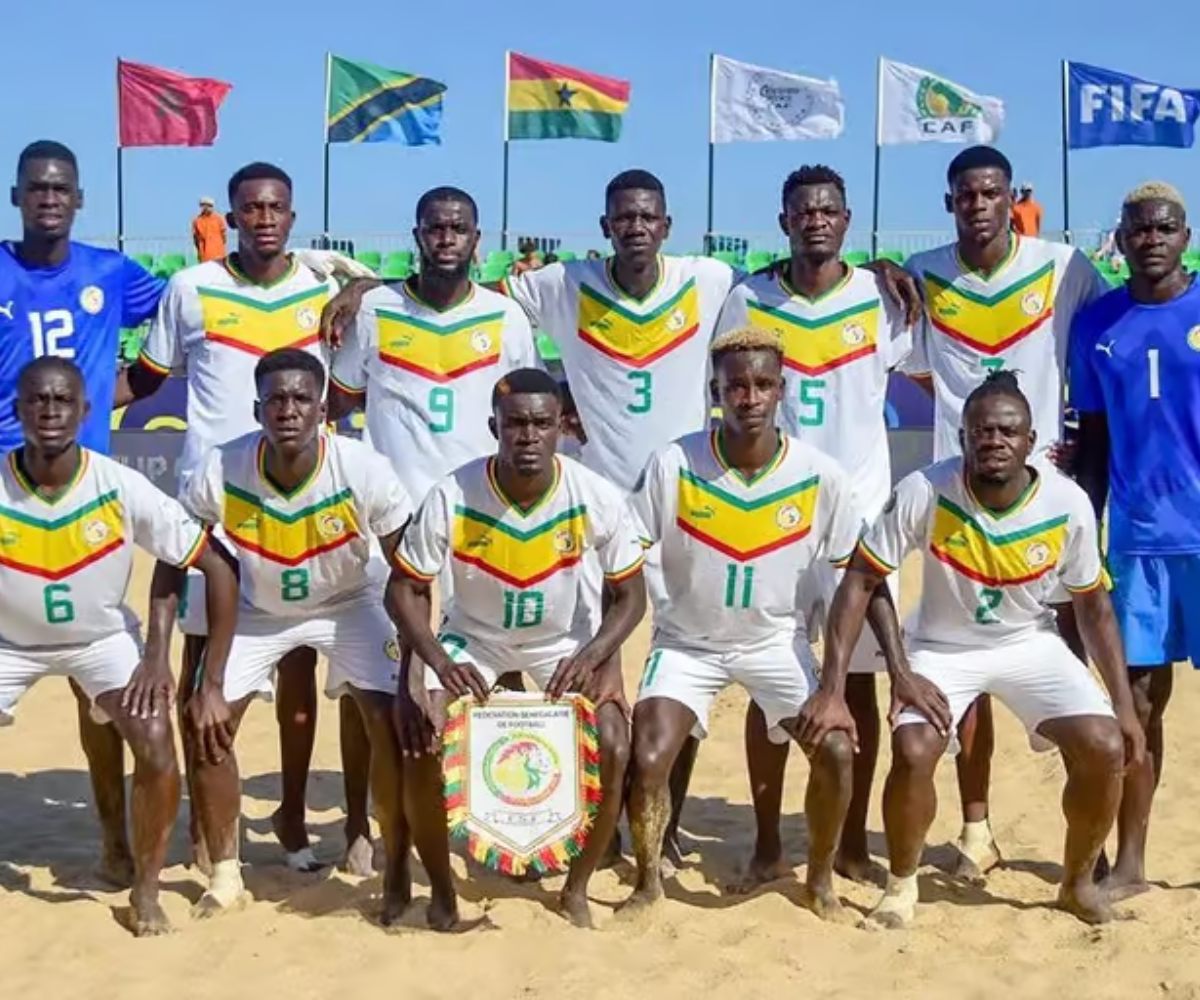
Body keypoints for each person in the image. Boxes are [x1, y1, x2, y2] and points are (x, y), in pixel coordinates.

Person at [118, 162, 376, 875]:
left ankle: (293, 820)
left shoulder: (321, 291)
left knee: (296, 669)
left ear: (294, 217)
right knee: (204, 667)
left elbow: (394, 305)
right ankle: (208, 829)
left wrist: (358, 286)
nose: (264, 217)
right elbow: (145, 381)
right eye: (250, 208)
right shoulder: (190, 288)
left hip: (298, 500)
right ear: (230, 217)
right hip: (217, 503)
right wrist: (62, 413)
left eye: (277, 207)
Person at [823, 370, 1143, 927]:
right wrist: (895, 673)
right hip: (943, 647)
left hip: (1028, 642)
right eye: (981, 431)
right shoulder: (925, 490)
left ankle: (1077, 883)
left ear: (1030, 439)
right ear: (963, 438)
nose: (994, 440)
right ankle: (901, 888)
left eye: (1007, 431)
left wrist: (1121, 703)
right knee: (916, 748)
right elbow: (860, 580)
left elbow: (1093, 609)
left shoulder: (1067, 503)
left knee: (1105, 745)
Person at [626, 327, 888, 919]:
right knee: (647, 758)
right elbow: (622, 562)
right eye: (735, 385)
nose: (748, 397)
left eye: (762, 384)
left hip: (776, 644)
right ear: (715, 391)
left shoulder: (821, 475)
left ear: (781, 389)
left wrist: (841, 685)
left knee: (839, 750)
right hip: (687, 644)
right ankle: (647, 885)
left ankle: (819, 883)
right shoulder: (674, 462)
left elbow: (862, 580)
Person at [900, 145, 1109, 880]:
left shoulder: (1063, 266)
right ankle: (976, 824)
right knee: (967, 651)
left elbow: (1105, 335)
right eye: (965, 194)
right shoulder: (922, 273)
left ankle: (1093, 824)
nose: (978, 204)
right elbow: (893, 346)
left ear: (1008, 196)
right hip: (961, 490)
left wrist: (1078, 441)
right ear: (950, 201)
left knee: (1068, 636)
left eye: (990, 192)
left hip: (1043, 492)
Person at [389, 368, 646, 930]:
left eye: (541, 424)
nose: (528, 436)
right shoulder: (452, 493)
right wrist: (437, 661)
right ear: (493, 428)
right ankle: (441, 892)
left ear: (563, 427)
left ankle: (575, 887)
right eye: (514, 425)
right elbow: (403, 589)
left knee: (614, 743)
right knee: (424, 742)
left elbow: (631, 596)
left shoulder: (593, 494)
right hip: (473, 639)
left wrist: (596, 654)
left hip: (561, 642)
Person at [713, 165, 911, 884]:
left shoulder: (881, 297)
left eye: (828, 210)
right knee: (773, 684)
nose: (815, 221)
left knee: (857, 685)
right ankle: (768, 839)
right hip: (775, 516)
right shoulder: (751, 298)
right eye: (803, 211)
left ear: (847, 220)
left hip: (857, 520)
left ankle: (851, 839)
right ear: (784, 221)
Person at [0, 356, 238, 935]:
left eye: (63, 401)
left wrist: (159, 654)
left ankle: (146, 890)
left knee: (157, 747)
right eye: (38, 400)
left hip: (103, 640)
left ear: (85, 411)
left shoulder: (117, 482)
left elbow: (213, 563)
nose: (50, 411)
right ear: (18, 409)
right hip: (10, 642)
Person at [177, 348, 417, 920]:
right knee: (206, 723)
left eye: (301, 398)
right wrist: (192, 670)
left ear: (324, 407)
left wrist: (417, 661)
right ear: (257, 408)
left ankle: (397, 862)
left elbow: (409, 570)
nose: (288, 409)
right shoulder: (221, 467)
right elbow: (174, 556)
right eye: (276, 399)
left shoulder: (362, 468)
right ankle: (226, 877)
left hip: (348, 602)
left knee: (391, 719)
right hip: (259, 608)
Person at [0, 139, 165, 888]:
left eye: (61, 188)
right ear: (16, 197)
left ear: (79, 198)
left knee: (93, 681)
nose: (48, 198)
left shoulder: (110, 272)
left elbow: (187, 314)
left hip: (84, 486)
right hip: (7, 484)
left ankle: (112, 841)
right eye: (36, 188)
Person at [1072, 182, 1200, 900]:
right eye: (1137, 229)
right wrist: (1081, 549)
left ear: (1185, 236)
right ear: (1118, 241)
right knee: (1140, 704)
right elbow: (1092, 447)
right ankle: (1132, 862)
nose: (1151, 238)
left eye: (1165, 227)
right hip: (1138, 544)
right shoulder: (1098, 326)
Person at [327, 186, 540, 505]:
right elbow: (337, 401)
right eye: (435, 228)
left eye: (459, 229)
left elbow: (527, 414)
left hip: (482, 510)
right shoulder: (372, 309)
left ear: (476, 239)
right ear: (417, 235)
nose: (447, 239)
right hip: (393, 514)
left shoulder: (507, 317)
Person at [192, 196, 227, 263]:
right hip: (204, 255)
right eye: (205, 206)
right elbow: (195, 239)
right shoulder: (197, 221)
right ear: (202, 207)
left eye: (210, 206)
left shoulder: (218, 219)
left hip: (218, 254)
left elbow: (224, 237)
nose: (208, 208)